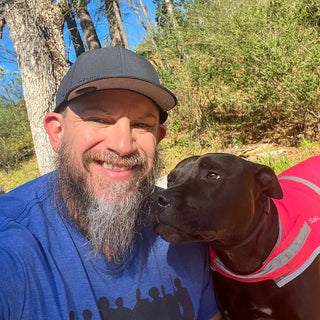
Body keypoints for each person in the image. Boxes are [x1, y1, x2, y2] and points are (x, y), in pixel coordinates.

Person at [0, 46, 221, 320]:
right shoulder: (12, 240)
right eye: (99, 119)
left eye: (141, 125)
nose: (123, 145)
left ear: (159, 137)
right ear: (57, 133)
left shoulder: (183, 223)